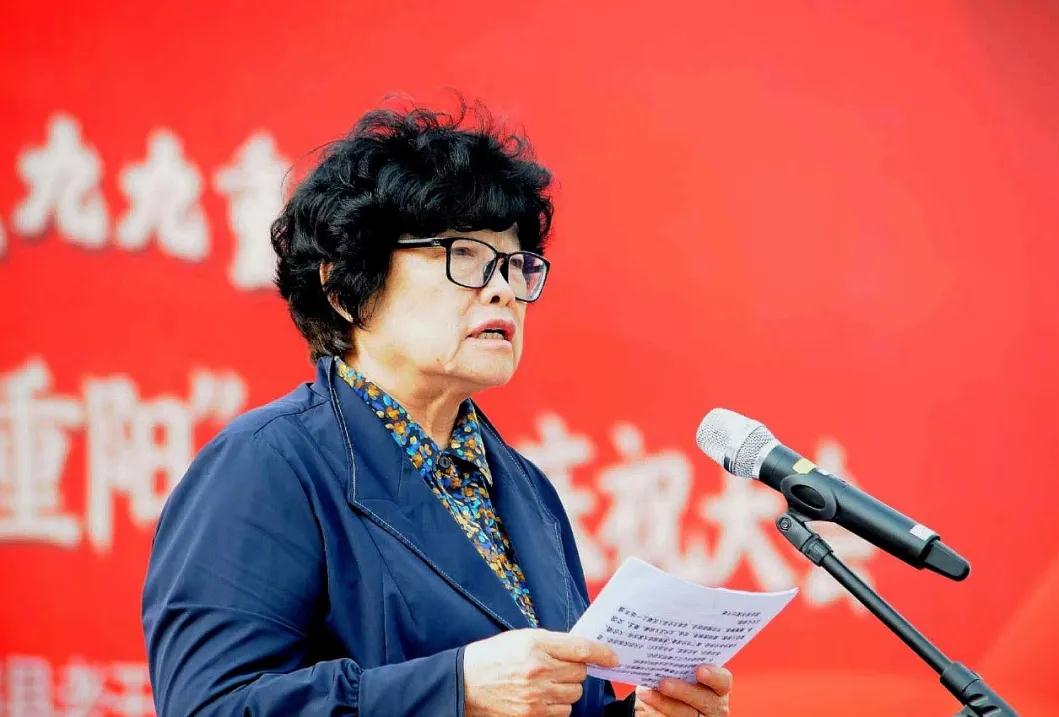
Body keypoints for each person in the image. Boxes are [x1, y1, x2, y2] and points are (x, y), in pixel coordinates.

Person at [142, 103, 733, 716]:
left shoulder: (526, 488)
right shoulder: (267, 464)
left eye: (515, 265)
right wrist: (457, 689)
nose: (502, 289)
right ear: (347, 288)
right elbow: (208, 705)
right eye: (464, 255)